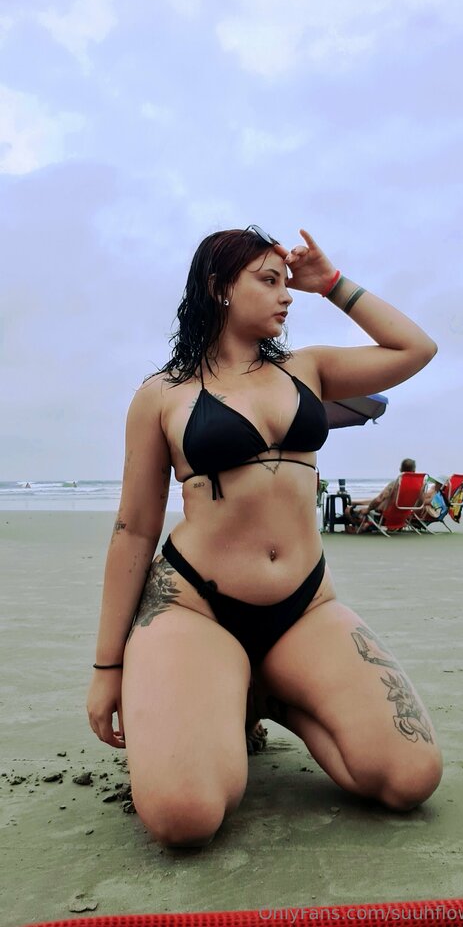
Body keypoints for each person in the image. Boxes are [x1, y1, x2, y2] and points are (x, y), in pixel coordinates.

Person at [87, 226, 443, 847]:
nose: (286, 296)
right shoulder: (162, 394)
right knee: (185, 819)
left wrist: (331, 283)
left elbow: (416, 348)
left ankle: (269, 692)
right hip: (195, 609)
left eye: (288, 283)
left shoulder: (309, 369)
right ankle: (224, 690)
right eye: (269, 281)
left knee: (410, 778)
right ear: (219, 287)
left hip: (306, 607)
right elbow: (134, 528)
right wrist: (106, 666)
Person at [345, 458, 416, 527]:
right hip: (404, 515)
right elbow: (419, 504)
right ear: (414, 471)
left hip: (387, 515)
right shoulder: (418, 486)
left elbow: (379, 500)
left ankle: (359, 518)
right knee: (379, 500)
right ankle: (356, 502)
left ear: (400, 469)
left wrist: (368, 509)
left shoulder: (395, 484)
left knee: (377, 501)